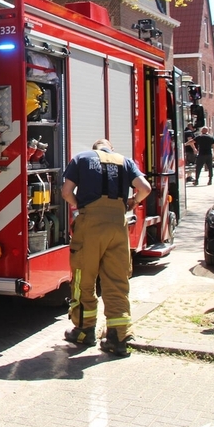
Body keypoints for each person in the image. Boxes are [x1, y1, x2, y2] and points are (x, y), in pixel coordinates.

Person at [61, 139, 151, 358]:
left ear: (95, 149)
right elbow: (145, 189)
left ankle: (84, 331)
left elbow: (66, 191)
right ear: (111, 149)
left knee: (84, 278)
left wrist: (79, 205)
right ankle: (118, 338)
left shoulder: (81, 159)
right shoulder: (125, 161)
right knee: (117, 281)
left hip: (90, 225)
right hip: (117, 226)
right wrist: (132, 202)